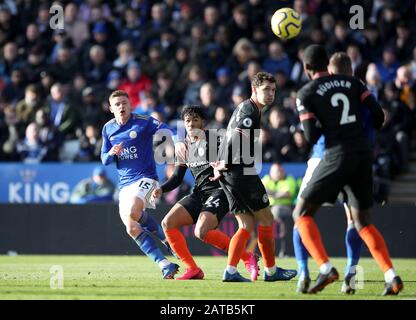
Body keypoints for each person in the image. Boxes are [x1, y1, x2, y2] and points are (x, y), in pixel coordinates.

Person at [293, 44, 403, 295]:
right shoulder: (355, 84)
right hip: (363, 155)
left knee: (301, 214)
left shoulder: (306, 92)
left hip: (335, 155)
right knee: (362, 222)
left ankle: (324, 268)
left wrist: (330, 127)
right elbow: (378, 116)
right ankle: (391, 276)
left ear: (307, 68)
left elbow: (311, 136)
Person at [151, 105, 259, 280]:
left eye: (195, 120)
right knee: (168, 223)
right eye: (188, 121)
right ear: (184, 124)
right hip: (200, 192)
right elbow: (178, 177)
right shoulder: (184, 146)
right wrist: (161, 189)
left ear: (203, 122)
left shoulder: (215, 139)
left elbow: (236, 155)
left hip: (220, 190)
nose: (192, 124)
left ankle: (247, 257)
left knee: (201, 231)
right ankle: (193, 269)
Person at [211, 72, 297, 282]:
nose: (270, 94)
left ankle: (230, 271)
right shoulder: (250, 112)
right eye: (265, 90)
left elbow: (229, 137)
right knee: (267, 219)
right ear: (254, 90)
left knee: (246, 225)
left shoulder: (245, 107)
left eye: (273, 90)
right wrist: (226, 163)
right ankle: (271, 271)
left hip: (230, 174)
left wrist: (222, 165)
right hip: (241, 173)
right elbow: (235, 139)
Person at [101, 90, 179, 279]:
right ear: (111, 109)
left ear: (130, 105)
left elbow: (169, 130)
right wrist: (111, 153)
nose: (121, 107)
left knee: (134, 212)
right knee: (131, 227)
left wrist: (180, 141)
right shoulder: (108, 129)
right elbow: (104, 159)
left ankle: (166, 239)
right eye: (117, 104)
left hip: (146, 178)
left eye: (124, 103)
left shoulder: (143, 122)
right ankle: (165, 264)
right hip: (125, 186)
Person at [262, 162, 297, 258]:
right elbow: (261, 191)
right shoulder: (266, 179)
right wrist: (278, 194)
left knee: (277, 210)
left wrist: (271, 193)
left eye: (281, 170)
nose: (279, 173)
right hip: (267, 207)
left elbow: (289, 194)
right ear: (271, 172)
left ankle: (283, 250)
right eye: (277, 171)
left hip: (285, 207)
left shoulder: (289, 179)